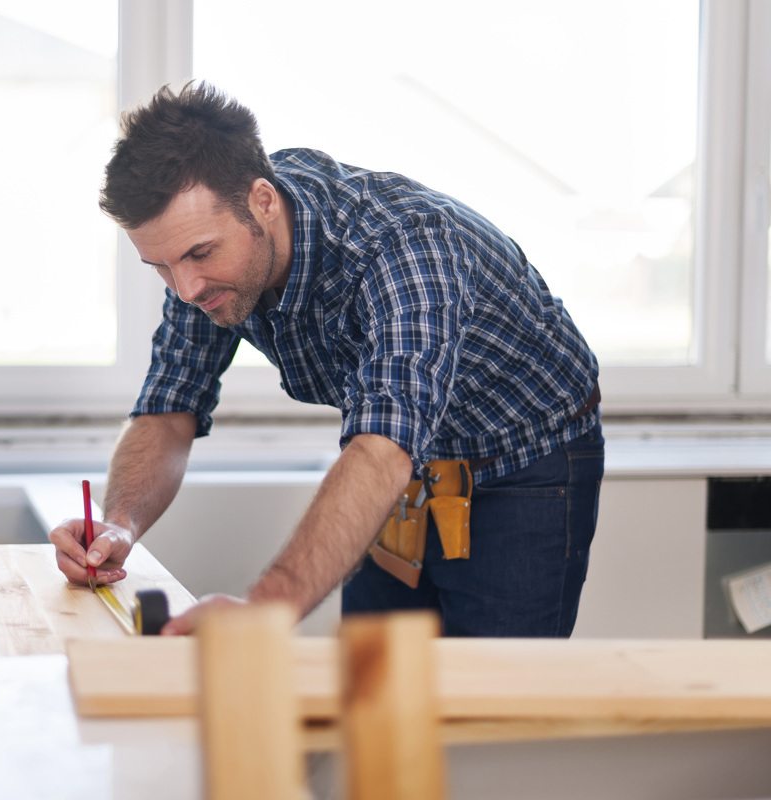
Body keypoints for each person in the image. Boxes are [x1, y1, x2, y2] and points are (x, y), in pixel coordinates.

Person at [48, 82, 604, 637]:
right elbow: (170, 405)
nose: (186, 288)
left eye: (200, 254)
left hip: (523, 458)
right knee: (369, 688)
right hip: (404, 473)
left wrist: (267, 607)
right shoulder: (204, 251)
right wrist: (117, 526)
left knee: (486, 701)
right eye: (162, 267)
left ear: (263, 202)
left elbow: (384, 447)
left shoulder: (404, 244)